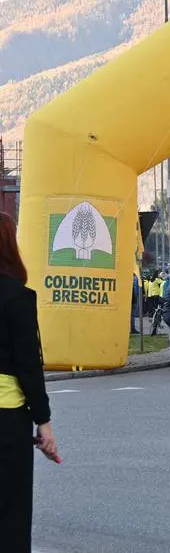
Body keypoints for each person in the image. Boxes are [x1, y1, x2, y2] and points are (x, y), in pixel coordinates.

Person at [0, 211, 60, 551]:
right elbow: (28, 366)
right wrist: (44, 423)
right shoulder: (19, 297)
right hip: (7, 418)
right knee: (11, 510)